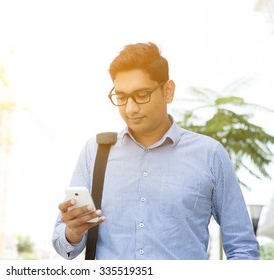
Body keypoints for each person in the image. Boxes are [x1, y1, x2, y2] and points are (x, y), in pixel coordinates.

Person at [52, 42, 260, 260]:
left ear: (168, 91)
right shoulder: (95, 152)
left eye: (141, 95)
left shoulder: (209, 154)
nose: (130, 109)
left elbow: (242, 246)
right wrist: (73, 232)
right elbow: (64, 246)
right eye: (121, 97)